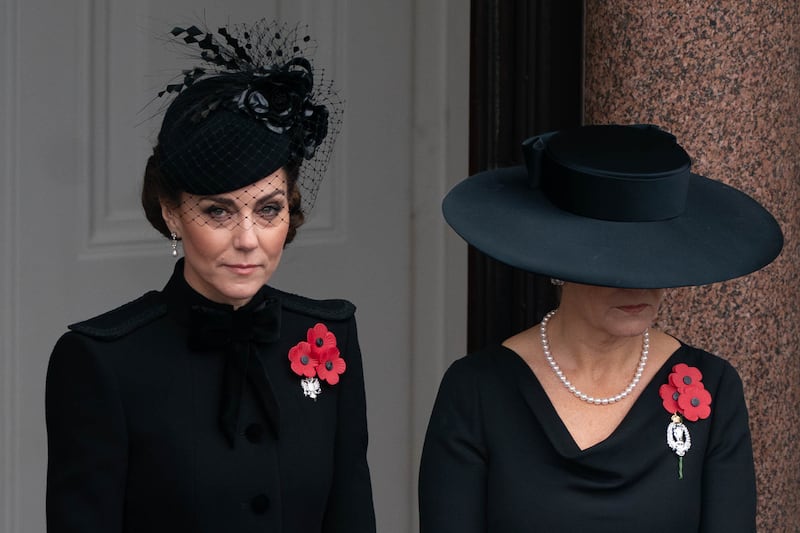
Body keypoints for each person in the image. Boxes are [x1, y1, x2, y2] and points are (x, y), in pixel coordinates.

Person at [45, 19, 376, 532]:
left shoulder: (331, 337)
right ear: (172, 212)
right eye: (218, 212)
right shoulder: (101, 362)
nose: (247, 239)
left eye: (267, 210)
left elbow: (352, 516)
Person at [418, 124, 783, 532]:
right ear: (561, 263)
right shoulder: (476, 390)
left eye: (657, 259)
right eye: (614, 262)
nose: (638, 283)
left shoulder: (713, 386)